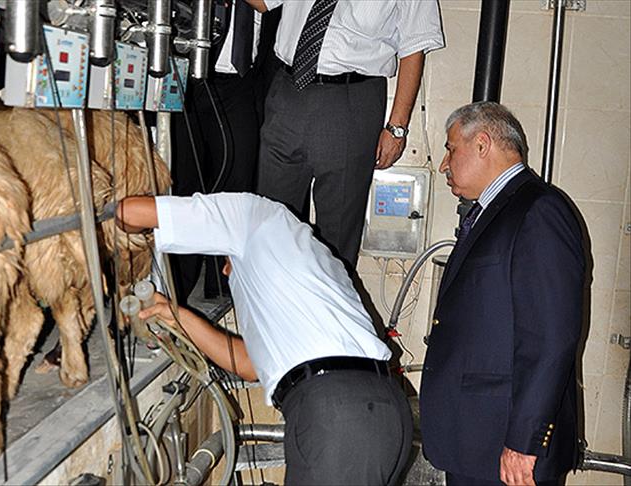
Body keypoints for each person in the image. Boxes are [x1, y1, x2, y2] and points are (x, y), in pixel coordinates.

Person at [117, 192, 413, 485]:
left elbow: (127, 212)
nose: (223, 270)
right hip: (382, 410)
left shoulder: (250, 216)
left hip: (336, 412)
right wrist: (177, 316)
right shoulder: (310, 263)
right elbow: (248, 365)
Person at [419, 102, 586, 486]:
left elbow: (550, 337)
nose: (444, 164)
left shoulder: (538, 210)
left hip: (507, 450)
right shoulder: (492, 211)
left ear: (482, 144)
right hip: (476, 442)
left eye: (450, 149)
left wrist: (524, 443)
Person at [246, 0, 444, 271]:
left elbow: (414, 46)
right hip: (287, 90)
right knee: (270, 222)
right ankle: (269, 295)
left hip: (351, 98)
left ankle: (329, 297)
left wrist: (397, 128)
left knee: (336, 239)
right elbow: (262, 3)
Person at [170, 1, 280, 303]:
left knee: (236, 180)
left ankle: (221, 283)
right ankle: (178, 286)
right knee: (185, 182)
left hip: (242, 81)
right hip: (186, 71)